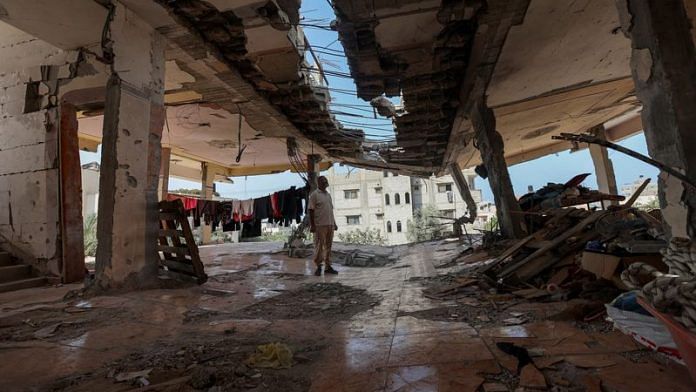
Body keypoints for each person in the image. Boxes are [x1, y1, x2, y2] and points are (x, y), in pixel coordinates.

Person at [308, 176, 339, 276]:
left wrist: (334, 223)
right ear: (318, 183)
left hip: (329, 224)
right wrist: (312, 225)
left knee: (328, 247)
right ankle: (318, 266)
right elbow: (310, 210)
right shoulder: (314, 195)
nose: (326, 182)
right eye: (323, 181)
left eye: (326, 181)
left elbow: (330, 210)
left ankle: (328, 266)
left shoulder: (328, 195)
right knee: (319, 246)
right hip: (320, 225)